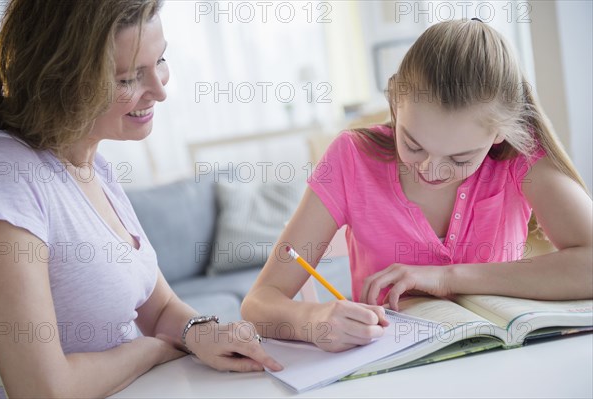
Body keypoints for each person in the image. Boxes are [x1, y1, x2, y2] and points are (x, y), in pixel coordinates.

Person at [241, 19, 593, 353]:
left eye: (460, 158)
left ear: (501, 132)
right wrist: (313, 319)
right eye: (413, 144)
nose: (431, 170)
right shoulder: (351, 158)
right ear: (395, 102)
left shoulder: (520, 152)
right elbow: (259, 302)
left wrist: (448, 278)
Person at [0, 1, 282, 397]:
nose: (161, 91)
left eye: (160, 60)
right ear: (59, 80)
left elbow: (160, 308)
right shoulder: (9, 174)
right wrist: (150, 351)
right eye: (129, 79)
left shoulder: (97, 167)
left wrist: (205, 333)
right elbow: (43, 389)